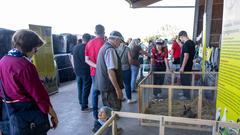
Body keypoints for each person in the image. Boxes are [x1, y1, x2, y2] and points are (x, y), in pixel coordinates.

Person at [0, 29, 58, 134]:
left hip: (8, 113)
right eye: (35, 49)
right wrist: (53, 114)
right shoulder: (25, 66)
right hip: (27, 114)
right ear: (28, 47)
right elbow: (39, 96)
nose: (35, 53)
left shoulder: (3, 61)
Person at [95, 31, 124, 111]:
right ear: (116, 39)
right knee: (114, 111)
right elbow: (111, 72)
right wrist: (118, 89)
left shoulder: (104, 47)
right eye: (120, 41)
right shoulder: (110, 50)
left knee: (108, 111)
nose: (120, 44)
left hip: (104, 86)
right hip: (110, 88)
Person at [85, 24, 105, 119]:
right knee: (106, 92)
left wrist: (96, 66)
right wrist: (100, 67)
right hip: (104, 73)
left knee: (95, 92)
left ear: (95, 32)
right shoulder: (105, 43)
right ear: (103, 32)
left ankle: (95, 114)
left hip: (93, 72)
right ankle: (106, 114)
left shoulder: (89, 43)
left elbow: (87, 60)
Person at [71, 33, 92, 112]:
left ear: (82, 39)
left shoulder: (75, 47)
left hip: (77, 71)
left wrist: (74, 67)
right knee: (86, 89)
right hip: (85, 71)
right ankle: (84, 106)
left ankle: (81, 102)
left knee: (80, 87)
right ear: (89, 40)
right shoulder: (87, 47)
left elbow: (71, 57)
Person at [178, 31, 195, 99]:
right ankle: (185, 92)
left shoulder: (186, 44)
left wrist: (182, 67)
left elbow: (186, 55)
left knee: (185, 80)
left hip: (185, 66)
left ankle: (186, 96)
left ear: (182, 36)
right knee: (186, 80)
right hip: (189, 65)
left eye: (180, 38)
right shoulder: (191, 43)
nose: (180, 40)